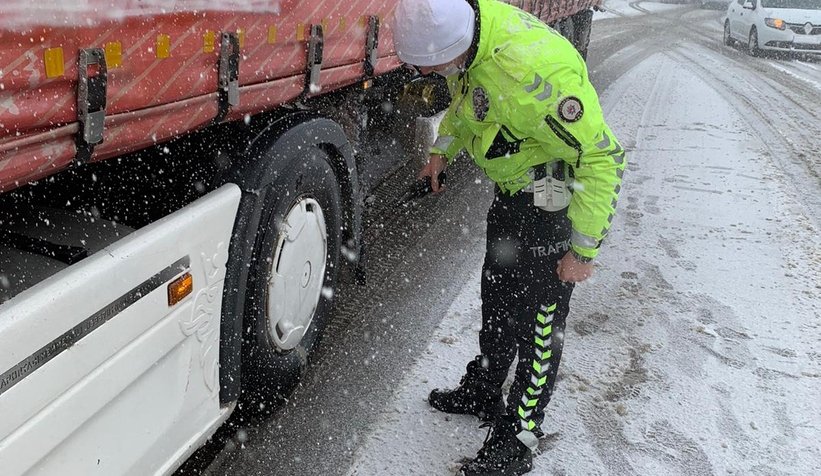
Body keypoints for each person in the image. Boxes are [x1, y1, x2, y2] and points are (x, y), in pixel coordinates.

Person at [391, 0, 626, 474]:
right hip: (513, 188)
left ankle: (519, 434)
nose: (423, 72)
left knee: (539, 321)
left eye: (428, 65)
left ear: (453, 47)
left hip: (553, 191)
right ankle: (485, 384)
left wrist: (582, 249)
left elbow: (604, 158)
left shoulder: (536, 78)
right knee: (497, 296)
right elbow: (467, 103)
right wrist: (442, 150)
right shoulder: (473, 35)